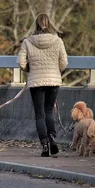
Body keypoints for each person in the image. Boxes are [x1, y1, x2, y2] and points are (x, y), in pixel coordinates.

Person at [17, 13, 68, 157]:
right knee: (49, 111)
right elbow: (64, 63)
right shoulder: (57, 41)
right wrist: (55, 71)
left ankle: (44, 144)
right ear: (50, 24)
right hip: (53, 81)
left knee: (39, 114)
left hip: (36, 81)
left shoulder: (27, 42)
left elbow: (20, 62)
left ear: (36, 25)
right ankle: (52, 138)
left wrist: (29, 69)